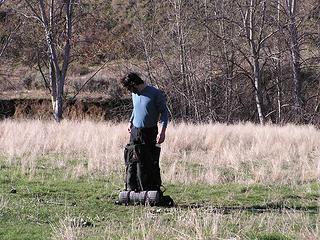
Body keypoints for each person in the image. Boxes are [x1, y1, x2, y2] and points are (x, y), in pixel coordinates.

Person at [120, 72, 169, 192]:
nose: (130, 91)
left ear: (135, 84)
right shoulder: (134, 94)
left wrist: (162, 131)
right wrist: (130, 121)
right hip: (135, 131)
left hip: (149, 132)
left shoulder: (155, 93)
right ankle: (132, 188)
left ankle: (148, 189)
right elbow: (135, 109)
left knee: (147, 162)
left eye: (130, 88)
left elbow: (164, 113)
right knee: (132, 160)